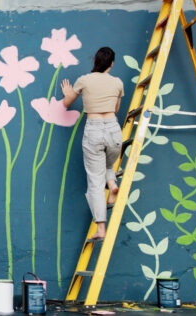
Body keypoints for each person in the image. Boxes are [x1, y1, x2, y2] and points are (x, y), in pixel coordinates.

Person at [61, 47, 124, 239]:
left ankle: (101, 229)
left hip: (94, 129)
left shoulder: (84, 80)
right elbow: (116, 107)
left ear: (95, 61)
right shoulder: (117, 82)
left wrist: (67, 92)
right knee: (108, 163)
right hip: (114, 130)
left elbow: (67, 103)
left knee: (95, 183)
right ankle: (112, 183)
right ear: (111, 64)